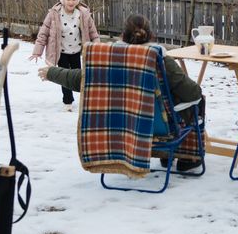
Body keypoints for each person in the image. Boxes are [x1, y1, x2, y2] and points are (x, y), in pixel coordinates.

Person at [38, 14, 204, 171]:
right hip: (158, 126)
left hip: (119, 127)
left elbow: (82, 79)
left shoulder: (108, 58)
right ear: (150, 35)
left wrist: (52, 72)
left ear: (123, 34)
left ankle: (165, 154)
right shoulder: (160, 60)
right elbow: (193, 93)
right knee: (197, 101)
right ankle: (188, 158)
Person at [29, 0, 100, 111]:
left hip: (77, 51)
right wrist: (37, 51)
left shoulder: (83, 14)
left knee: (79, 77)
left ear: (77, 0)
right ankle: (68, 102)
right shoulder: (54, 14)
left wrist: (97, 48)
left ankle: (84, 100)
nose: (71, 2)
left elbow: (93, 33)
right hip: (61, 52)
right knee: (64, 77)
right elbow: (43, 33)